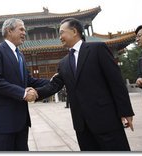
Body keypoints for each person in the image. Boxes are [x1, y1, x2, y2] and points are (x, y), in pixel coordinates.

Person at [36, 18, 134, 151]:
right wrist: (34, 93)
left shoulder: (97, 49)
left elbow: (116, 81)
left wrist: (126, 111)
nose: (60, 37)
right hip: (82, 126)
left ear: (74, 31)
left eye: (61, 33)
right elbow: (54, 85)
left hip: (106, 120)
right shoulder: (64, 63)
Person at [0, 18, 49, 151]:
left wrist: (55, 81)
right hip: (2, 122)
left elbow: (29, 81)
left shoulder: (20, 55)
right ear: (9, 30)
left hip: (21, 121)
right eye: (21, 29)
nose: (24, 33)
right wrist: (23, 93)